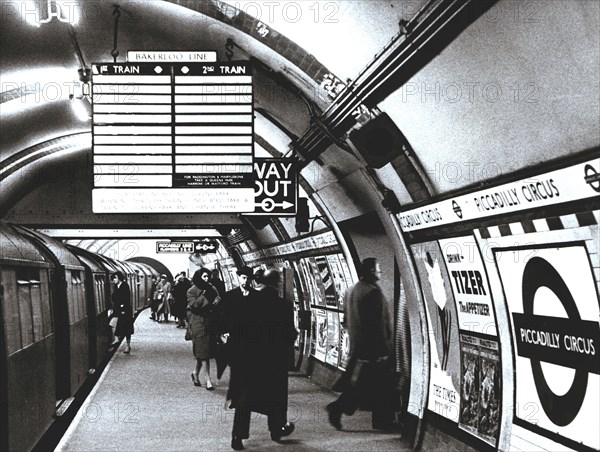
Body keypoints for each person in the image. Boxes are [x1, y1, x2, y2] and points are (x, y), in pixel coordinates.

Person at [226, 268, 298, 451]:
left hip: (248, 360)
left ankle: (238, 436)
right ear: (277, 284)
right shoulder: (284, 305)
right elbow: (290, 335)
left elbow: (237, 331)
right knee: (275, 397)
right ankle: (276, 430)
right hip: (274, 360)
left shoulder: (246, 302)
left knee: (245, 399)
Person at [326, 258, 394, 431]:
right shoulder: (372, 292)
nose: (381, 272)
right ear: (371, 270)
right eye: (378, 268)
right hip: (372, 348)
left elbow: (346, 320)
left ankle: (341, 408)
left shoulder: (351, 290)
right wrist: (384, 348)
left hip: (358, 346)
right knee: (377, 385)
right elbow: (377, 323)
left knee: (364, 384)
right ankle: (342, 408)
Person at [217, 266, 256, 380]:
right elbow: (223, 315)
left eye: (248, 279)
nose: (246, 281)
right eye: (243, 278)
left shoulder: (257, 296)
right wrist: (223, 332)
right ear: (239, 278)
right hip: (233, 333)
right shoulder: (229, 296)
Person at [187, 268, 221, 390]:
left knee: (203, 352)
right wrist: (205, 296)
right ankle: (208, 379)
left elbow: (218, 301)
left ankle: (195, 373)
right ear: (199, 277)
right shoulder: (191, 291)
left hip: (209, 324)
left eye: (208, 277)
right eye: (204, 276)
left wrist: (216, 302)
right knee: (204, 353)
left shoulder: (212, 289)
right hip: (197, 325)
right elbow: (194, 305)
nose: (207, 279)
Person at [110, 271, 134, 354]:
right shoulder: (115, 287)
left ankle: (128, 346)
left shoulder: (125, 286)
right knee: (112, 323)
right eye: (113, 278)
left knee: (127, 329)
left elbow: (126, 298)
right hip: (117, 310)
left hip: (125, 310)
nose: (114, 280)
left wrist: (122, 306)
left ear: (119, 278)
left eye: (115, 278)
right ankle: (117, 338)